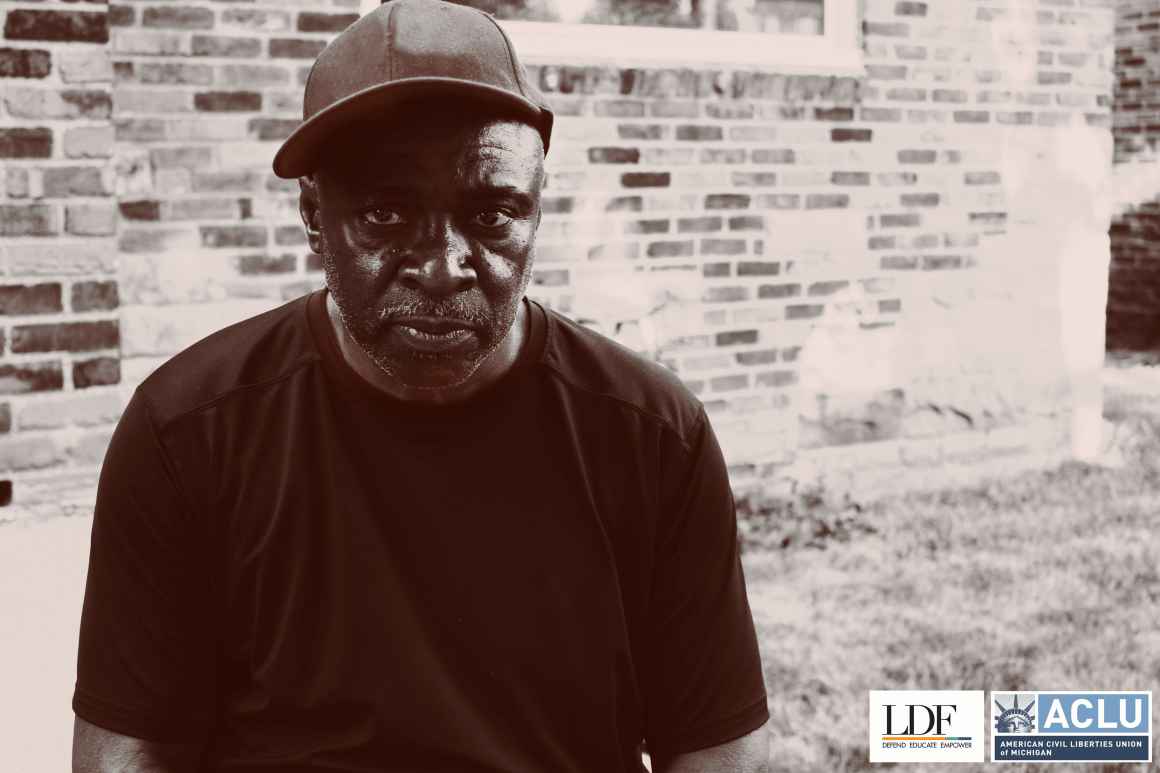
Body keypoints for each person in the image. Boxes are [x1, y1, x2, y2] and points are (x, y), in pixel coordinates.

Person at [71, 1, 770, 770]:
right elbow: (126, 755)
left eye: (492, 213)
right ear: (313, 217)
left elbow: (716, 750)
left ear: (536, 212)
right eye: (385, 212)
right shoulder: (188, 433)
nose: (443, 268)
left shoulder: (652, 436)